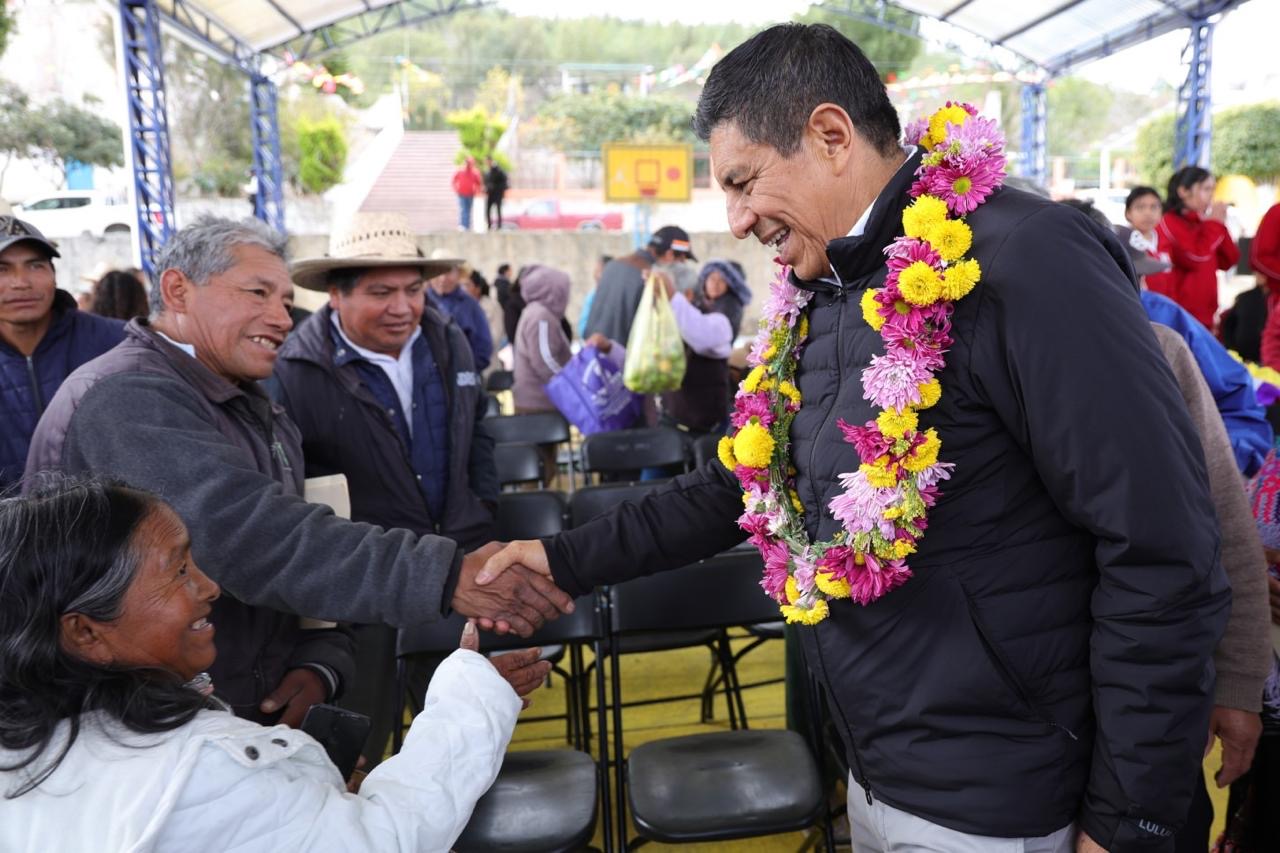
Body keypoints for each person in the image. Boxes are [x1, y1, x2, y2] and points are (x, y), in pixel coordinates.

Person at [483, 23, 1230, 853]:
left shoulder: (1025, 257)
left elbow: (1160, 544)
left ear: (831, 136)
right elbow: (739, 485)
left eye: (742, 182)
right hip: (873, 775)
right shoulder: (822, 291)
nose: (736, 220)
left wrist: (1128, 822)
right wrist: (561, 559)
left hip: (1009, 801)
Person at [24, 215, 570, 722]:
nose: (281, 317)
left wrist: (321, 657)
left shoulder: (250, 399)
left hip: (248, 698)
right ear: (177, 290)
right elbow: (251, 536)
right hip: (151, 723)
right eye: (257, 293)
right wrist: (445, 574)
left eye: (286, 300)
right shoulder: (127, 398)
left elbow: (306, 518)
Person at [0, 477, 549, 850]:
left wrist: (304, 794)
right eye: (178, 571)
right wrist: (467, 704)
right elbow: (388, 839)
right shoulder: (205, 771)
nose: (210, 587)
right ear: (86, 632)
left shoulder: (28, 752)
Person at [276, 212, 501, 761]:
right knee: (361, 741)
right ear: (336, 294)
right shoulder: (293, 370)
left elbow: (478, 429)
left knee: (462, 741)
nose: (402, 307)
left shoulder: (448, 341)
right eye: (381, 292)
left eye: (413, 290)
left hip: (457, 562)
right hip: (363, 591)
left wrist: (481, 506)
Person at [1146, 324, 1271, 853]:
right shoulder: (918, 348)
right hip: (967, 745)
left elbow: (1224, 521)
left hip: (1146, 723)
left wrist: (1240, 682)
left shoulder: (1155, 341)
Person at [0, 215, 125, 491]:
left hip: (107, 513)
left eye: (35, 266)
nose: (21, 282)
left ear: (53, 274)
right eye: (2, 269)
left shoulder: (117, 342)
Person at [511, 264, 621, 415]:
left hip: (540, 402)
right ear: (553, 291)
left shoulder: (538, 313)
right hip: (539, 404)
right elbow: (545, 360)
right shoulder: (541, 317)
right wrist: (572, 383)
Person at [660, 259, 753, 435]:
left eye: (721, 280)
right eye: (712, 279)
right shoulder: (694, 308)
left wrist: (672, 297)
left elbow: (703, 336)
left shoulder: (725, 313)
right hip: (675, 414)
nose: (715, 284)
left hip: (704, 417)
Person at [1148, 166, 1239, 329]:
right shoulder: (1169, 221)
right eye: (1206, 189)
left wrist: (1218, 224)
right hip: (1181, 316)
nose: (1211, 195)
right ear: (1183, 191)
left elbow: (1229, 260)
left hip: (1206, 314)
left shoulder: (1204, 222)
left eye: (1213, 189)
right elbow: (1195, 258)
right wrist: (1214, 224)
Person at [584, 225, 696, 345]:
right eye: (682, 260)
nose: (682, 266)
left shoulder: (612, 265)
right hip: (623, 354)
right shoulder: (650, 278)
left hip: (594, 350)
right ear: (669, 255)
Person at [427, 252, 494, 371]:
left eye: (448, 272)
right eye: (436, 273)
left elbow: (483, 346)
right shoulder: (421, 300)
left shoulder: (470, 304)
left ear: (458, 274)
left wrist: (466, 370)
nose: (442, 278)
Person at [1116, 186, 1173, 284]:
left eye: (1154, 207)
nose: (1148, 213)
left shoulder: (1168, 239)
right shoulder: (1122, 243)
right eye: (1140, 207)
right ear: (1128, 213)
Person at [465, 267, 507, 352]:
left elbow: (495, 337)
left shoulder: (492, 307)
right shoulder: (459, 307)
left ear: (478, 289)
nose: (463, 289)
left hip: (487, 356)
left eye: (467, 285)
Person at [451, 156, 483, 232]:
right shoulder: (460, 171)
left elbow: (479, 183)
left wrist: (477, 191)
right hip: (461, 193)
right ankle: (463, 225)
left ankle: (467, 226)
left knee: (468, 210)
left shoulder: (475, 172)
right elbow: (454, 180)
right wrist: (456, 189)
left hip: (470, 194)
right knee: (463, 209)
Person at [484, 156, 509, 231]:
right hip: (490, 194)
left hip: (498, 193)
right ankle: (489, 225)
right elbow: (487, 181)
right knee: (488, 210)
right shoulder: (487, 171)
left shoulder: (498, 169)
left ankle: (499, 225)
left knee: (498, 209)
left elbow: (504, 180)